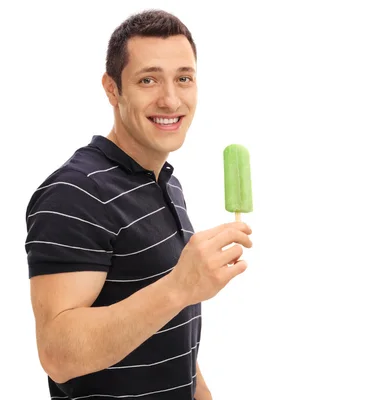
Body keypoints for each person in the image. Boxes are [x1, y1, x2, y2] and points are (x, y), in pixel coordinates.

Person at [24, 9, 252, 400]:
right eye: (148, 80)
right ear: (112, 89)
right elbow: (58, 354)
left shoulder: (165, 181)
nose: (170, 99)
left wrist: (200, 391)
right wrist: (181, 286)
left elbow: (165, 320)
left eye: (184, 78)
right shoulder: (74, 192)